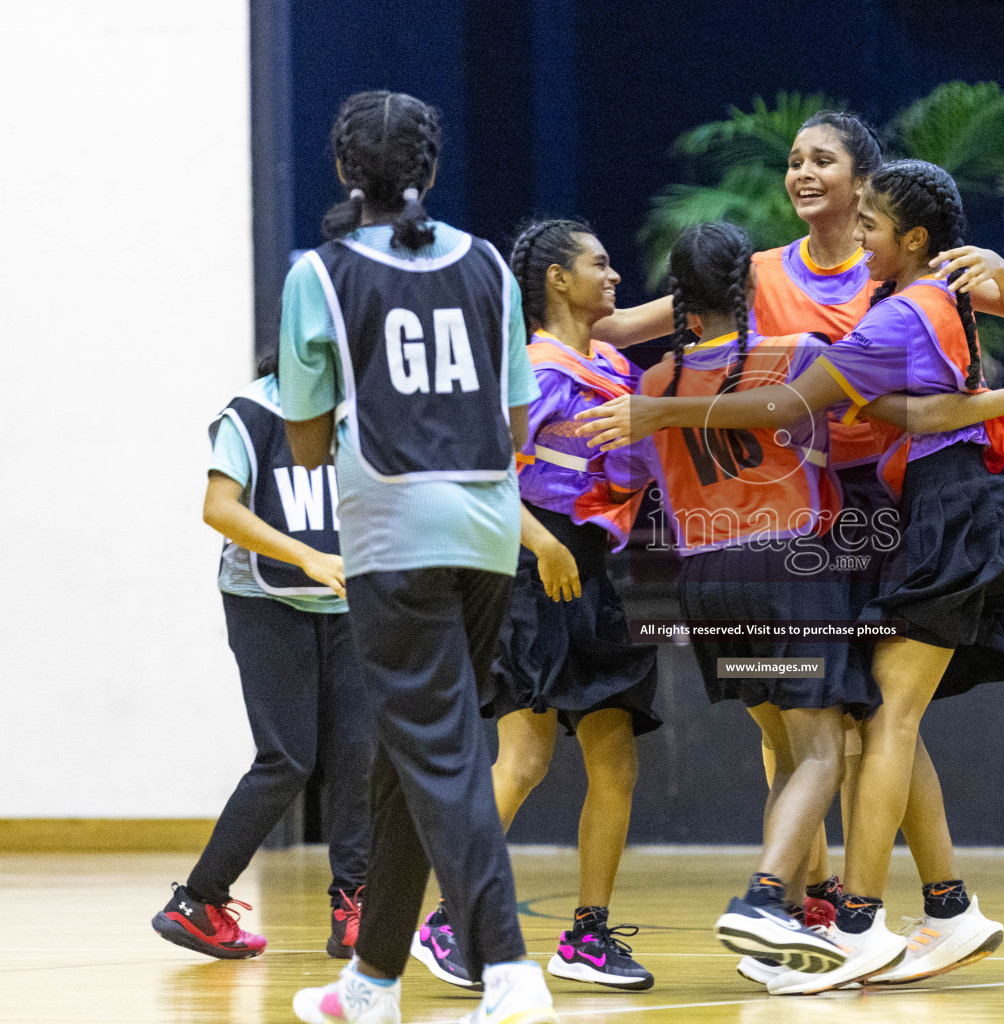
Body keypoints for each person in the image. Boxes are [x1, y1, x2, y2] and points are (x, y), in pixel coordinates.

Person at [576, 160, 1004, 994]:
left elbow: (782, 405)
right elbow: (917, 402)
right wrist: (1002, 395)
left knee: (859, 726)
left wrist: (649, 403)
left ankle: (841, 915)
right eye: (793, 158)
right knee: (849, 729)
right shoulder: (901, 301)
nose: (800, 170)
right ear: (746, 290)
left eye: (825, 163)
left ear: (901, 228)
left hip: (791, 555)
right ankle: (900, 907)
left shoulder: (873, 321)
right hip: (853, 539)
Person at [280, 90, 556, 1024]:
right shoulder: (488, 264)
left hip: (393, 534)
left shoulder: (317, 275)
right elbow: (517, 422)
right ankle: (373, 981)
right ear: (431, 172)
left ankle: (509, 966)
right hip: (486, 531)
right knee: (409, 759)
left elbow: (309, 446)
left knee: (440, 753)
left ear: (344, 171)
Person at [612, 220, 881, 976]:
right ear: (750, 289)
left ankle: (782, 934)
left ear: (679, 303)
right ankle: (763, 898)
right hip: (788, 567)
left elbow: (633, 475)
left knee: (787, 754)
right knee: (824, 753)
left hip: (702, 583)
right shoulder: (797, 357)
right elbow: (865, 424)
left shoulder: (652, 385)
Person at [409, 220, 658, 992]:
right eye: (600, 262)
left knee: (615, 755)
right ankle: (447, 922)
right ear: (556, 279)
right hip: (530, 563)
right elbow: (482, 472)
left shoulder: (611, 365)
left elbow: (675, 335)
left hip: (589, 568)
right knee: (523, 759)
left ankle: (587, 937)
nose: (613, 275)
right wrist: (543, 545)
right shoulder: (533, 370)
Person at [151, 355, 369, 963]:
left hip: (348, 602)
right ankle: (197, 901)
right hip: (264, 601)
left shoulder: (359, 415)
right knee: (288, 757)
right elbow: (218, 508)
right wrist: (306, 556)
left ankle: (354, 905)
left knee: (360, 752)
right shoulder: (254, 412)